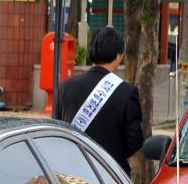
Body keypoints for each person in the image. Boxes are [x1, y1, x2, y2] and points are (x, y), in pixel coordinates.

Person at [53, 25, 144, 174]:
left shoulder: (66, 87)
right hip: (111, 175)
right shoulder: (127, 92)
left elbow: (57, 131)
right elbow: (134, 141)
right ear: (118, 56)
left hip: (71, 174)